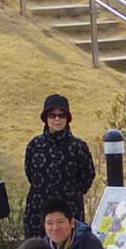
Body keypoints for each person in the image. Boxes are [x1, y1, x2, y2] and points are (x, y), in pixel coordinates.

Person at [21, 94, 96, 238]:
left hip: (69, 210)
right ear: (45, 118)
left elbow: (88, 175)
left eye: (61, 115)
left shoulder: (78, 146)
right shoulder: (34, 145)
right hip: (38, 211)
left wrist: (73, 193)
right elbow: (30, 173)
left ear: (67, 118)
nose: (57, 119)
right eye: (52, 115)